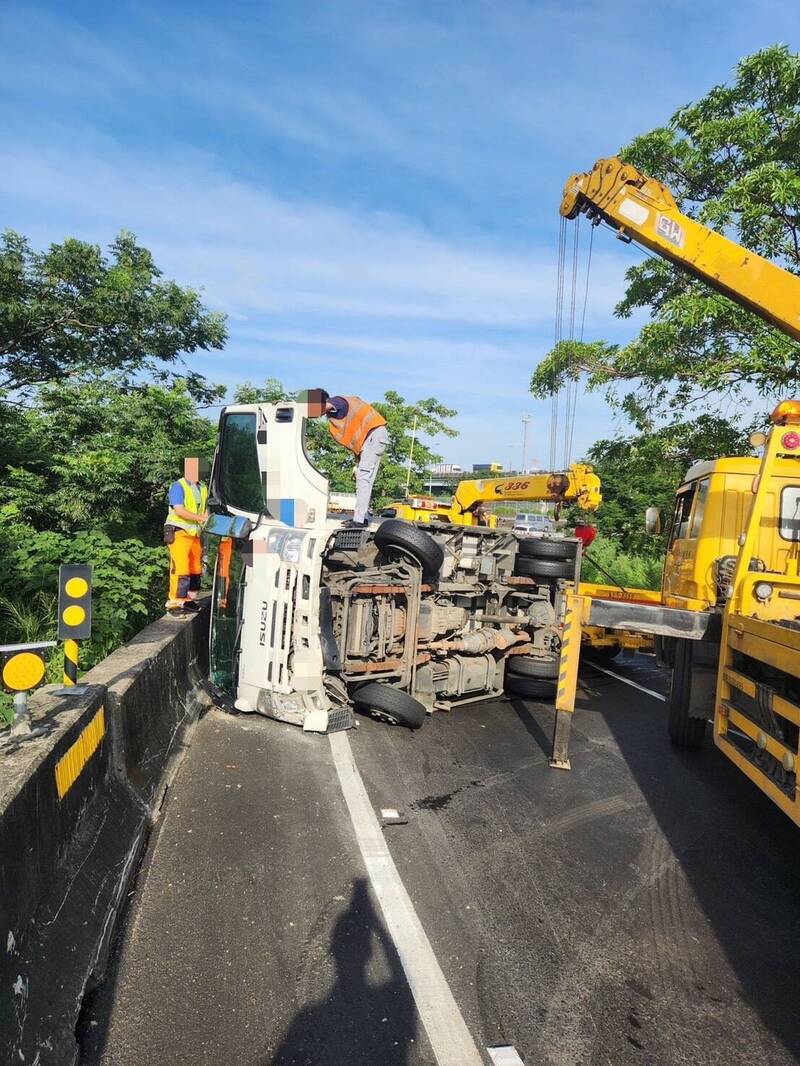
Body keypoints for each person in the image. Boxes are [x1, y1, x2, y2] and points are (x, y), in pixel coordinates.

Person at [318, 391, 389, 527]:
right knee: (363, 479)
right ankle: (363, 517)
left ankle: (359, 520)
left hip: (374, 434)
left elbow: (328, 405)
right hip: (371, 437)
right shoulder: (334, 416)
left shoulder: (337, 402)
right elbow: (355, 437)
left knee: (364, 477)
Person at [164, 457, 209, 612]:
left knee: (195, 568)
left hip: (195, 533)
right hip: (179, 531)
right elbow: (179, 510)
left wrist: (205, 518)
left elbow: (205, 509)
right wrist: (201, 518)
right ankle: (175, 603)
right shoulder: (178, 486)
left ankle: (189, 599)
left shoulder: (202, 487)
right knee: (180, 568)